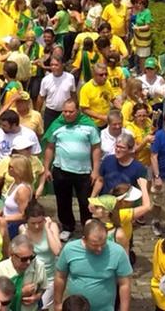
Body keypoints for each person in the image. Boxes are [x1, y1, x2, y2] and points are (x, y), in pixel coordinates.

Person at [40, 99, 100, 240]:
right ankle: (67, 226)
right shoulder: (57, 126)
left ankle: (88, 227)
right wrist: (46, 168)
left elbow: (96, 148)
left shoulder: (89, 126)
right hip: (61, 170)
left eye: (70, 111)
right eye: (65, 111)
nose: (67, 114)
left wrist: (96, 170)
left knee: (85, 202)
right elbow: (49, 147)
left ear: (77, 111)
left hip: (84, 171)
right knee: (63, 201)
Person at [53, 220, 131, 311]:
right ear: (84, 240)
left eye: (103, 244)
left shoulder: (117, 252)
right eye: (94, 245)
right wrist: (57, 303)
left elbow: (124, 284)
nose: (99, 249)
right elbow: (60, 277)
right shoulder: (70, 249)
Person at [0, 235, 47, 311]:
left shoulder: (38, 266)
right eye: (24, 259)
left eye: (31, 257)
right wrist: (20, 293)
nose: (28, 262)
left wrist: (37, 297)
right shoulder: (0, 269)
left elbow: (43, 287)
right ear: (12, 255)